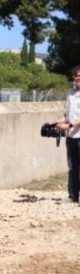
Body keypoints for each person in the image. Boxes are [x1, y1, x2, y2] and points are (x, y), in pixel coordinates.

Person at [55, 65, 80, 203]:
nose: (78, 78)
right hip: (71, 136)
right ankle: (73, 195)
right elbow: (67, 114)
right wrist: (58, 122)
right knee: (72, 167)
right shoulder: (70, 93)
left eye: (79, 76)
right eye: (76, 76)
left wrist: (68, 125)